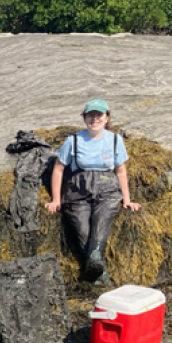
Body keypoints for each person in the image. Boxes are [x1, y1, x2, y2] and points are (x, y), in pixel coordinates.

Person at [46, 99, 141, 286]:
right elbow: (58, 169)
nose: (94, 119)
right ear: (85, 118)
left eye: (99, 115)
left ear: (106, 118)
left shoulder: (115, 140)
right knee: (82, 229)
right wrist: (56, 199)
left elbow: (120, 171)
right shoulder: (73, 140)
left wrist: (127, 199)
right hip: (77, 191)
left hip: (107, 190)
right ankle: (101, 275)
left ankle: (97, 263)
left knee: (102, 220)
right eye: (91, 115)